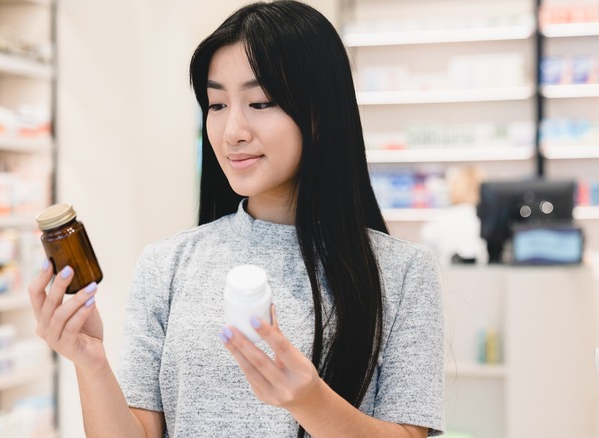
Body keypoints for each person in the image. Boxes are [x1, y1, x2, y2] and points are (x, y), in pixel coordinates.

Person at [28, 1, 444, 437]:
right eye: (217, 104)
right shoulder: (168, 264)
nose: (232, 132)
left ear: (321, 114)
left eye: (260, 102)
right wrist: (89, 360)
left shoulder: (401, 272)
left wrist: (309, 401)